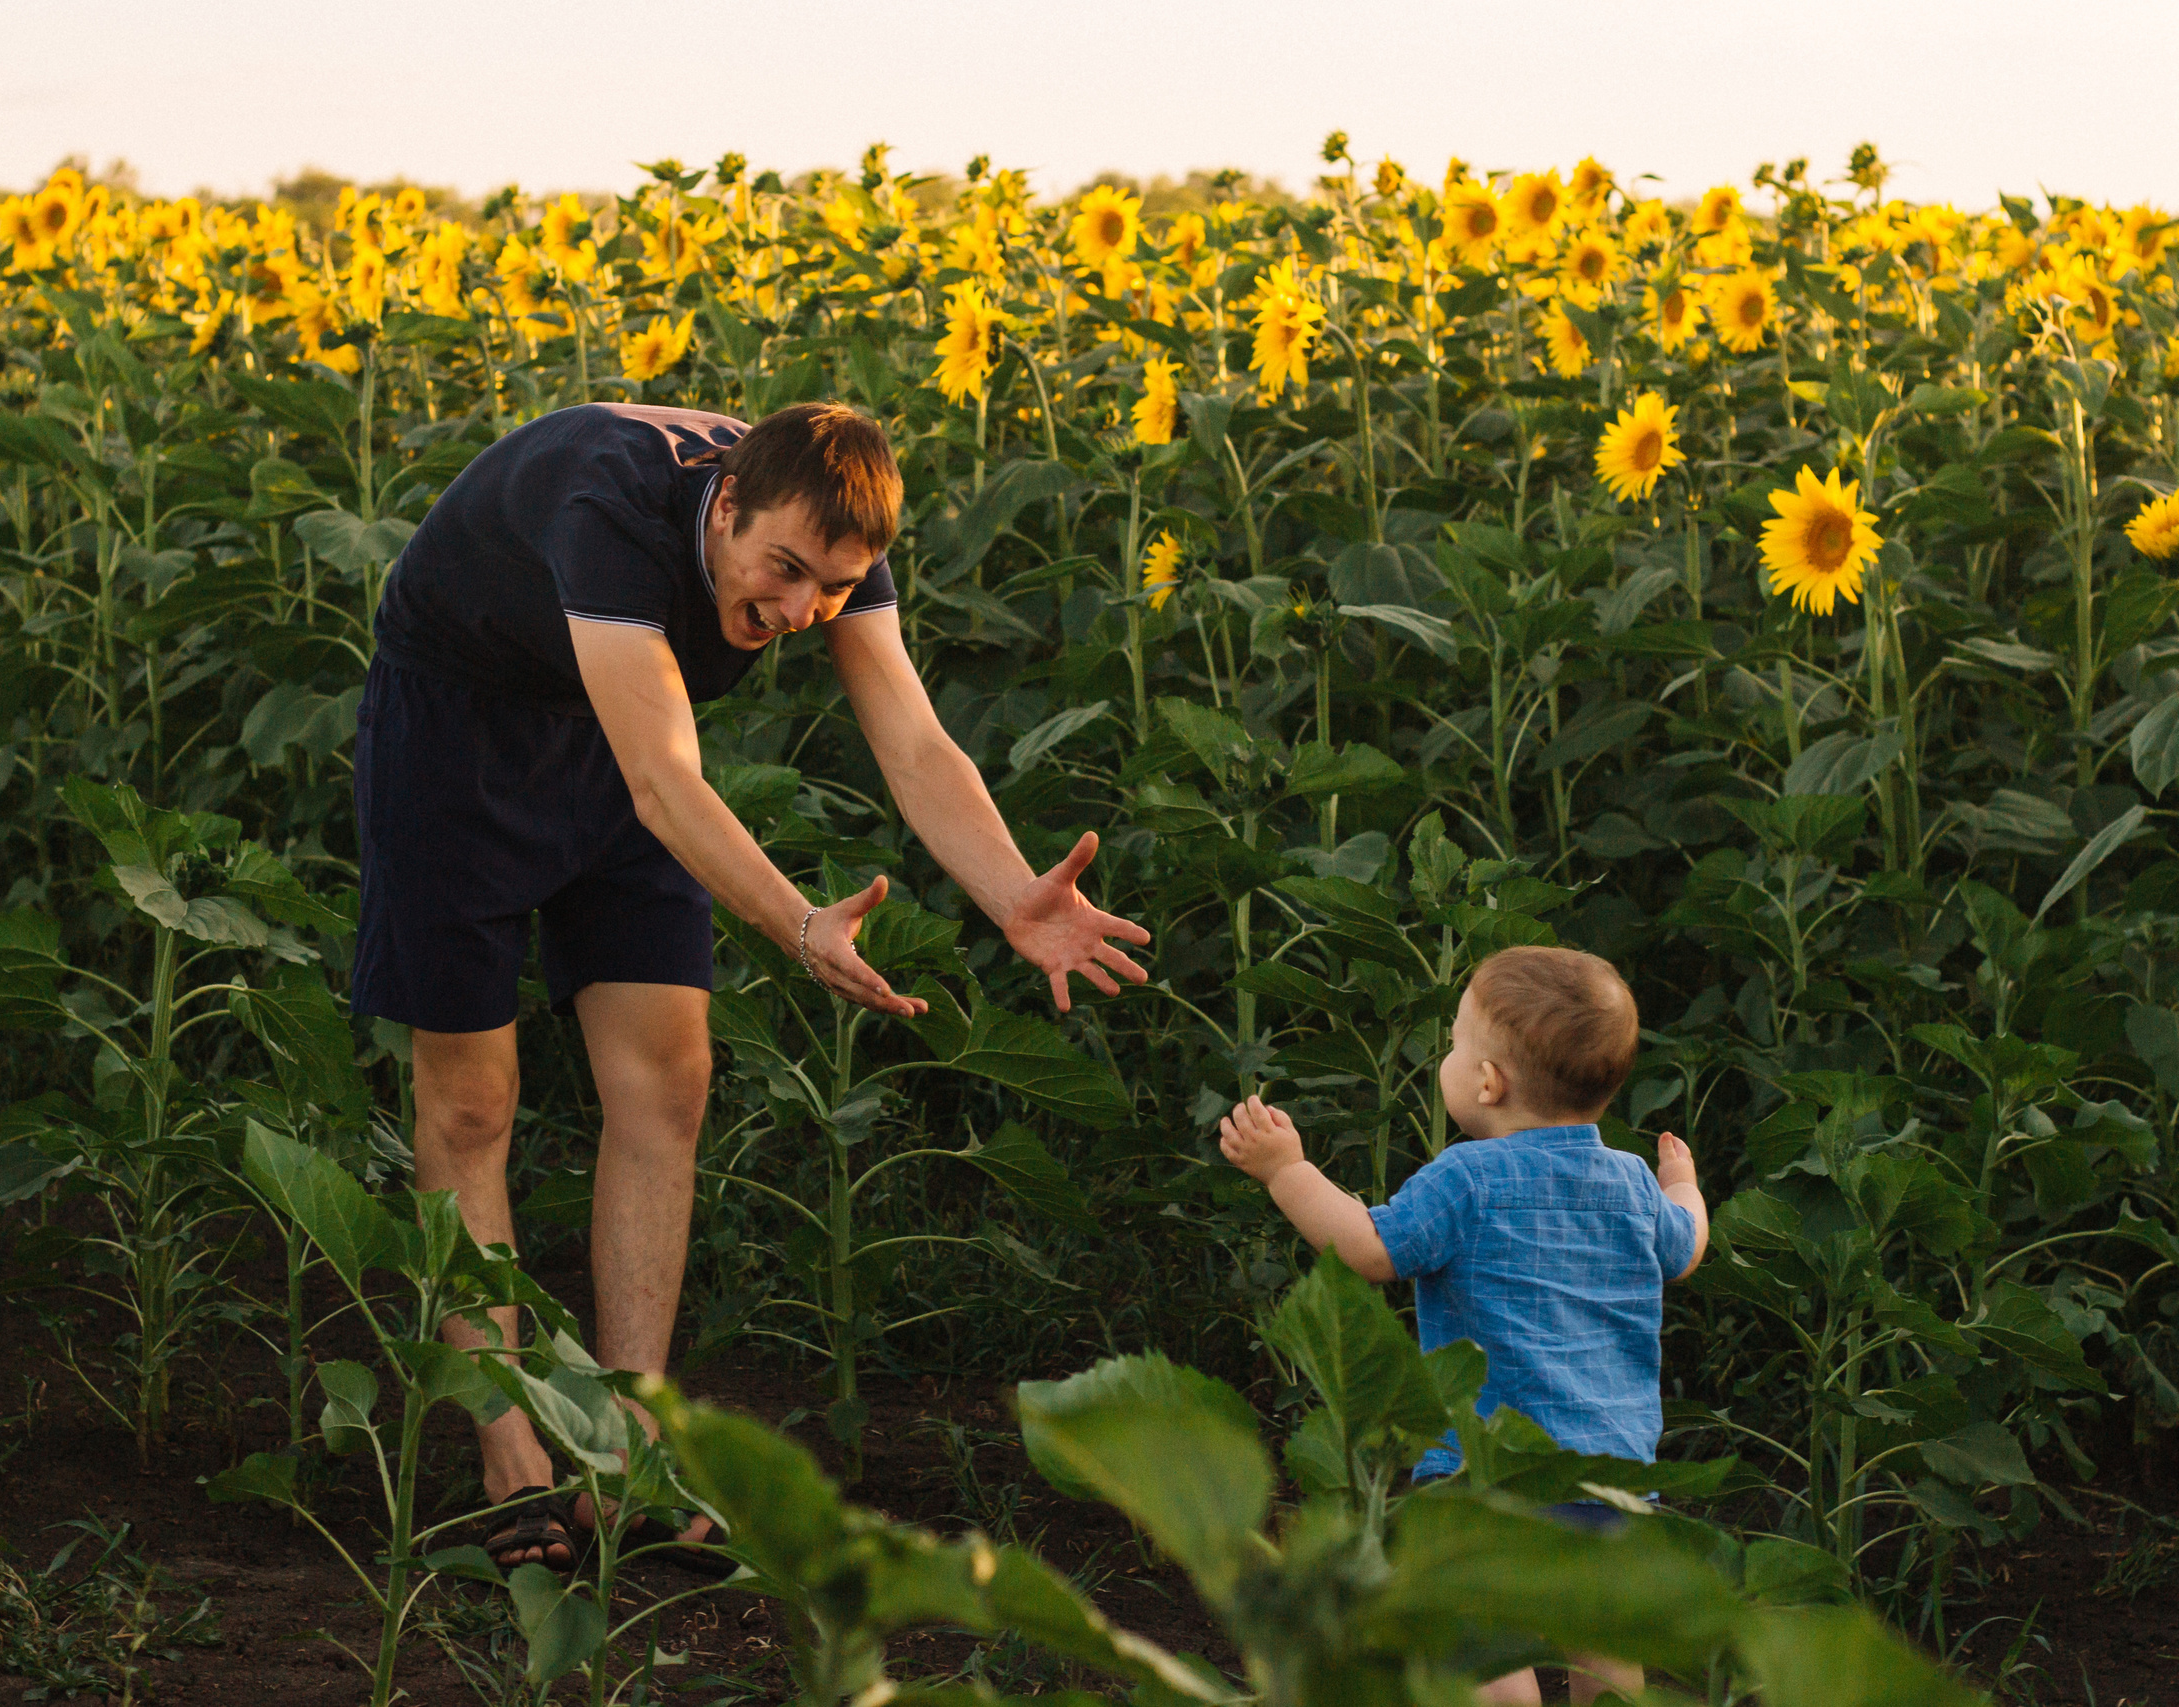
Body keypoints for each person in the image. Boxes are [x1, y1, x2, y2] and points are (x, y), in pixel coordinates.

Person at [352, 400, 1151, 1572]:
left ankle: (628, 1460)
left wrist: (1012, 896)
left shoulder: (830, 534)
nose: (798, 612)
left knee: (670, 1080)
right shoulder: (610, 512)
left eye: (832, 587)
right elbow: (665, 784)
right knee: (471, 1104)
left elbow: (913, 741)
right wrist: (798, 925)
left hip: (627, 735)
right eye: (782, 572)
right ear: (725, 504)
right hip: (457, 736)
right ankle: (510, 1464)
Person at [1217, 944, 1708, 1705]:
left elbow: (1369, 1249)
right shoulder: (1633, 1185)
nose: (1444, 1057)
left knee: (1474, 1650)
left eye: (1451, 1044)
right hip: (1613, 1480)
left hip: (1486, 1474)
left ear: (1488, 1081)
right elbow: (1686, 1247)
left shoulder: (1467, 1180)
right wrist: (1682, 1182)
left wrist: (1287, 1170)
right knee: (1607, 1655)